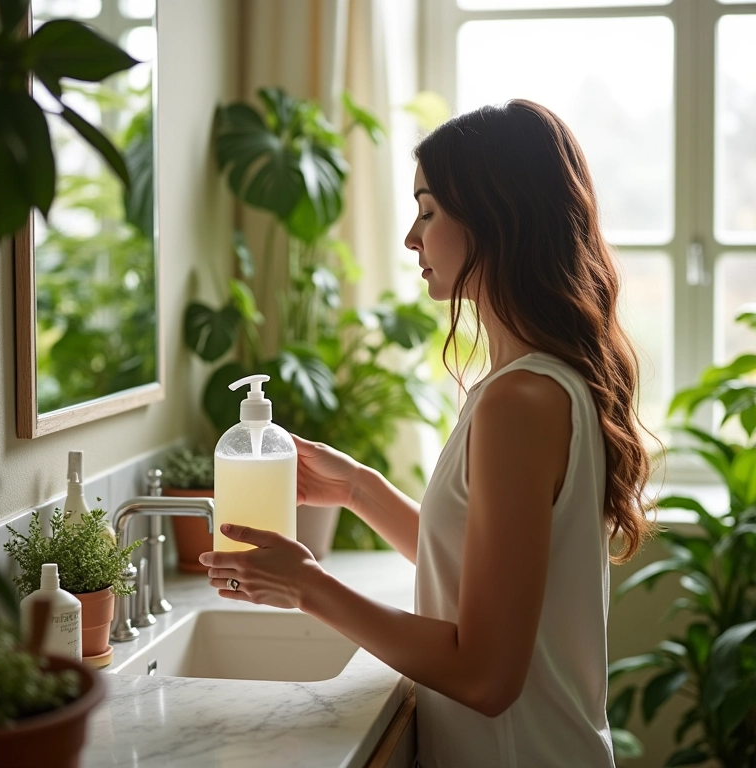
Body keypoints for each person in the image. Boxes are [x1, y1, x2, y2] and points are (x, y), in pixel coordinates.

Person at [199, 99, 655, 767]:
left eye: (429, 210)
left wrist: (308, 586)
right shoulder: (533, 382)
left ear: (495, 219)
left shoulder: (520, 400)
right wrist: (360, 488)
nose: (412, 238)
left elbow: (485, 677)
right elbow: (480, 574)